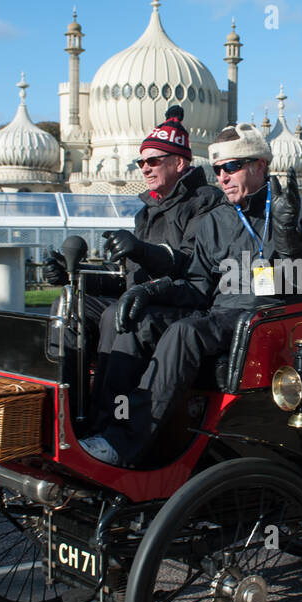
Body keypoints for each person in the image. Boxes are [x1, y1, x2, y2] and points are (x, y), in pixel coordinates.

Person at [81, 122, 302, 466]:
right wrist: (151, 290)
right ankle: (106, 430)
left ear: (259, 165)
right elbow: (198, 286)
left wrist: (290, 236)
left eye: (231, 167)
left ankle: (126, 445)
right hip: (221, 314)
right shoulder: (216, 220)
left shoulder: (296, 209)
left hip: (271, 318)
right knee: (134, 322)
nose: (222, 177)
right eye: (217, 169)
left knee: (185, 332)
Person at [42, 106, 224, 422]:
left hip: (185, 301)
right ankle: (67, 410)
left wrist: (142, 251)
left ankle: (112, 418)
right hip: (143, 297)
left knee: (120, 314)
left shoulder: (204, 203)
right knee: (70, 304)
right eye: (141, 161)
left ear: (179, 163)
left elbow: (194, 268)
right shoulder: (147, 211)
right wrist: (76, 276)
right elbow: (126, 278)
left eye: (153, 160)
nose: (144, 168)